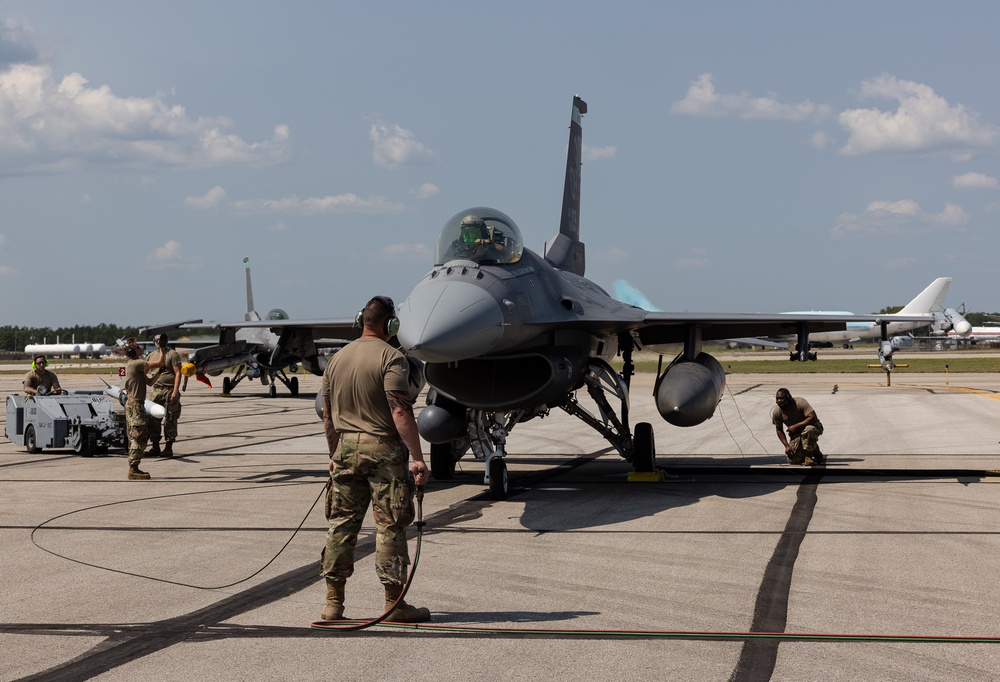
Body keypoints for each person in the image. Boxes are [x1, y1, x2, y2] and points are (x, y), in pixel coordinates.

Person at [318, 295, 430, 623]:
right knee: (390, 527)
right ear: (391, 325)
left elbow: (327, 417)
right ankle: (394, 604)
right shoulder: (392, 357)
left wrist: (334, 454)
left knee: (340, 525)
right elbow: (399, 409)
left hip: (345, 450)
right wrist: (418, 458)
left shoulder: (337, 359)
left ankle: (333, 604)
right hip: (383, 450)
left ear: (360, 321)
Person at [123, 343, 167, 480]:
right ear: (133, 351)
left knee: (141, 434)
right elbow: (160, 362)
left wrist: (159, 373)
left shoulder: (137, 366)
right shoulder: (137, 363)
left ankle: (134, 467)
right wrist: (162, 349)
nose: (139, 347)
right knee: (138, 435)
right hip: (135, 405)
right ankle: (133, 469)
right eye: (137, 347)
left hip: (137, 404)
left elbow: (149, 382)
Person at [146, 333, 182, 458]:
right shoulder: (151, 355)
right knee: (152, 419)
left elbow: (178, 374)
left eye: (160, 339)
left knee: (170, 419)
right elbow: (144, 371)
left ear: (166, 340)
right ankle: (155, 446)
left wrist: (175, 392)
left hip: (169, 390)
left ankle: (168, 447)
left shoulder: (172, 354)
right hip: (156, 390)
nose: (158, 341)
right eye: (156, 339)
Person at [771, 387, 825, 465]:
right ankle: (815, 450)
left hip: (812, 427)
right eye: (777, 398)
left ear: (788, 398)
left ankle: (808, 456)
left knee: (809, 430)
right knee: (793, 460)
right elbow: (779, 430)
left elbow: (813, 417)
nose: (779, 401)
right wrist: (786, 446)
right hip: (796, 433)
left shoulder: (800, 402)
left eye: (782, 398)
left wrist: (796, 426)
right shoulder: (777, 412)